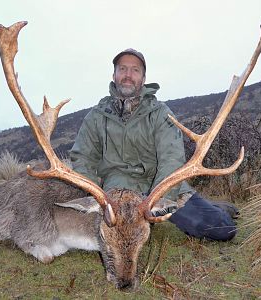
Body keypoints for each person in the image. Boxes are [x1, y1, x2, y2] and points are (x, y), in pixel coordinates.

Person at [70, 48, 238, 241]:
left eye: (135, 70)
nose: (128, 75)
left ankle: (215, 209)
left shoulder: (160, 113)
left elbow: (171, 159)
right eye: (122, 69)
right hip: (117, 193)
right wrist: (99, 198)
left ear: (143, 78)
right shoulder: (96, 116)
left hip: (161, 188)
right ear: (114, 75)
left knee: (222, 229)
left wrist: (155, 200)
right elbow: (83, 158)